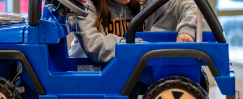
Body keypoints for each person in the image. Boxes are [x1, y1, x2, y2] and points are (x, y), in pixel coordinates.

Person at [70, 0, 204, 63]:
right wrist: (140, 47)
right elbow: (95, 46)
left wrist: (187, 29)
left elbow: (192, 6)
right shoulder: (85, 6)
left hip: (128, 88)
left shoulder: (143, 3)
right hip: (87, 85)